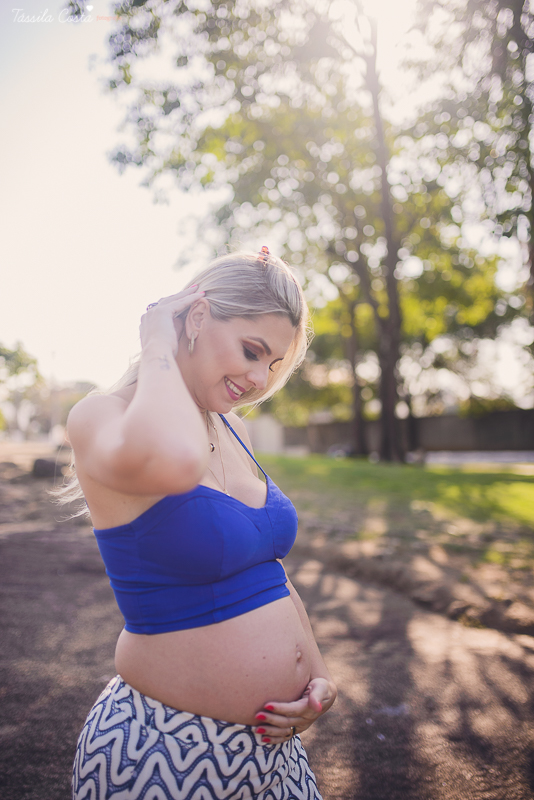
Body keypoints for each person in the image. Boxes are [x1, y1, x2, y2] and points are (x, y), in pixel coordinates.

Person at [64, 249, 337, 800]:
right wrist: (156, 343)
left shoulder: (232, 427)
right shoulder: (100, 415)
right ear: (195, 316)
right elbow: (178, 461)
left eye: (272, 364)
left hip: (274, 756)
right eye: (251, 351)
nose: (258, 378)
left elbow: (267, 569)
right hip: (163, 749)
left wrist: (317, 675)